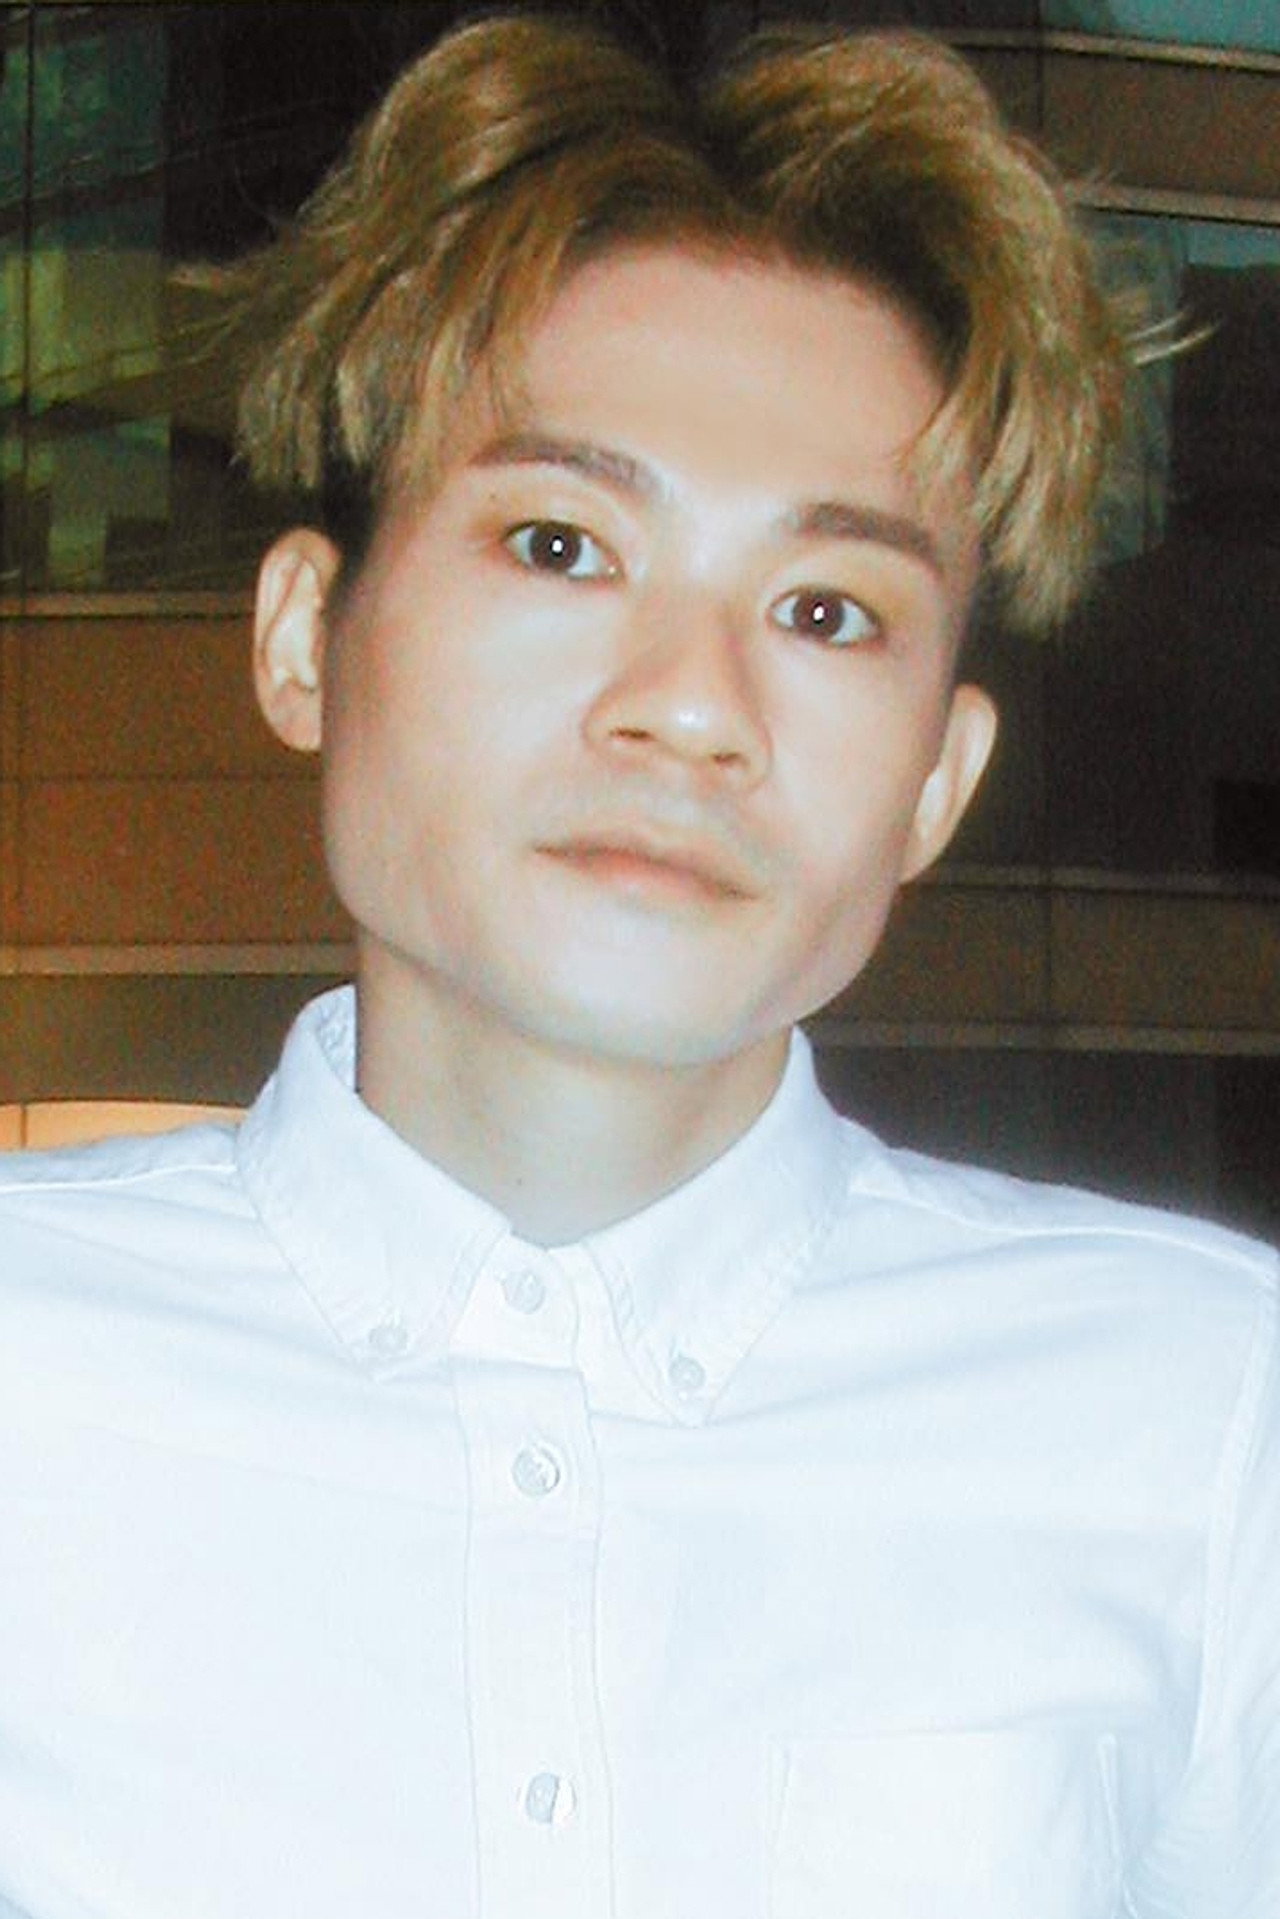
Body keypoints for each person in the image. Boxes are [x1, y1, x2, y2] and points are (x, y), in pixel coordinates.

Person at [0, 13, 1275, 1917]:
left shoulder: (1204, 1414)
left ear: (936, 783)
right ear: (302, 640)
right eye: (559, 544)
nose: (692, 704)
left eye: (826, 610)